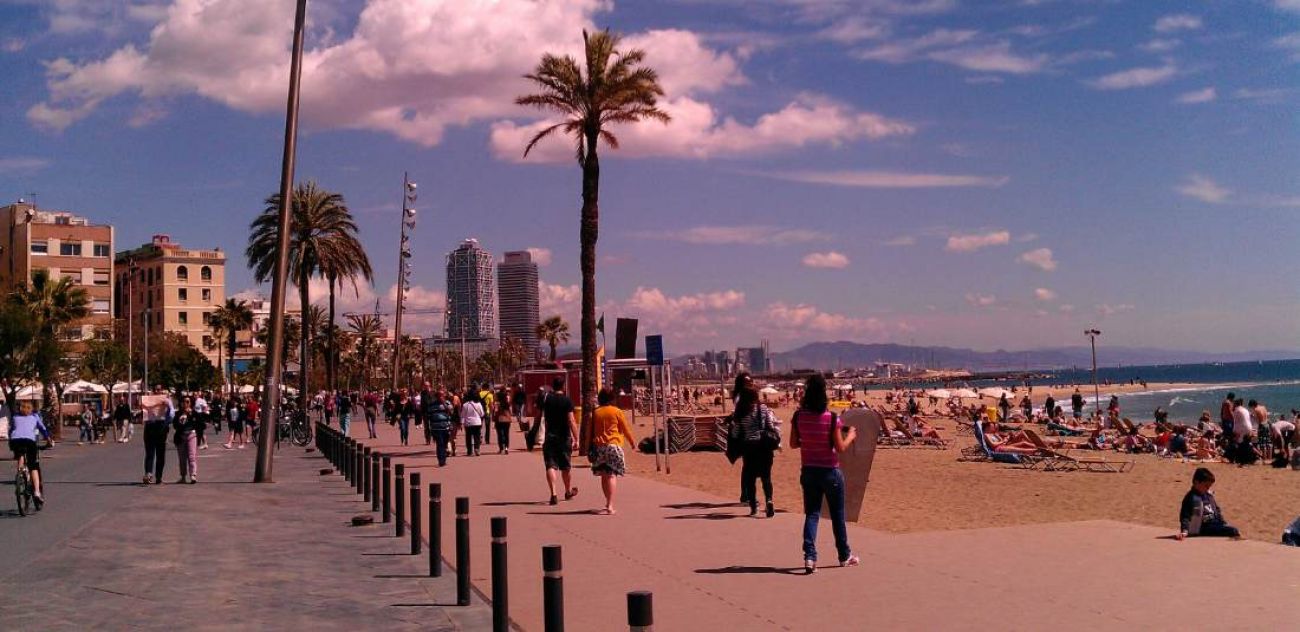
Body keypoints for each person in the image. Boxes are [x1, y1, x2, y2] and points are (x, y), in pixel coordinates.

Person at [789, 374, 859, 574]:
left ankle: (810, 557)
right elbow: (840, 447)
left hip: (809, 470)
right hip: (830, 471)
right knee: (837, 515)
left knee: (812, 514)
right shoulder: (831, 418)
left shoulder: (798, 416)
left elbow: (793, 443)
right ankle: (844, 555)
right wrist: (851, 435)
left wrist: (809, 441)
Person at [733, 375, 780, 518]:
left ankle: (753, 506)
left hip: (750, 447)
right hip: (764, 446)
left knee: (750, 478)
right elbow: (770, 425)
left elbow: (736, 432)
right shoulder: (763, 408)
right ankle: (769, 501)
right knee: (766, 477)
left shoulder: (741, 412)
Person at [589, 388, 634, 515]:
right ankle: (610, 504)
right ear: (612, 399)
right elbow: (625, 429)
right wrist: (632, 442)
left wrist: (587, 446)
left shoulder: (595, 413)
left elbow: (589, 432)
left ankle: (607, 502)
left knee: (604, 475)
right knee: (612, 475)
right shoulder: (617, 411)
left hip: (599, 447)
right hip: (614, 446)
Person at [538, 377, 579, 506]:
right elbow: (571, 420)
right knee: (565, 466)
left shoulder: (547, 400)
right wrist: (576, 438)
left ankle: (553, 494)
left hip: (550, 437)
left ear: (553, 386)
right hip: (564, 437)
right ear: (563, 386)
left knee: (550, 465)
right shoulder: (567, 401)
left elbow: (539, 415)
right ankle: (567, 491)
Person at [1177, 467, 1241, 540]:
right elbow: (1185, 516)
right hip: (1203, 527)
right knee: (1233, 531)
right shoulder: (1191, 497)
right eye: (1206, 486)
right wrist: (1184, 531)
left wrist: (1222, 522)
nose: (1208, 488)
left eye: (1209, 486)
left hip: (1215, 523)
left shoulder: (1208, 495)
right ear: (1196, 482)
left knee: (1230, 529)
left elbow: (1216, 510)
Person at [9, 401, 53, 505]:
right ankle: (37, 492)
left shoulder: (15, 416)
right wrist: (49, 440)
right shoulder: (34, 416)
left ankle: (20, 474)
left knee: (20, 455)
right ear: (31, 408)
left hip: (15, 441)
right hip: (29, 441)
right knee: (33, 467)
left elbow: (11, 430)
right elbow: (43, 429)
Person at [142, 388, 173, 485]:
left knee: (160, 454)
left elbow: (171, 415)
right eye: (155, 389)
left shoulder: (166, 400)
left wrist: (167, 406)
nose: (157, 391)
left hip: (161, 427)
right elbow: (143, 412)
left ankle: (159, 477)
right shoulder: (148, 400)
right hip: (150, 427)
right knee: (149, 453)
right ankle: (148, 474)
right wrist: (141, 405)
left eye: (159, 389)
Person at [172, 397, 198, 484]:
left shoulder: (194, 413)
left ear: (190, 403)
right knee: (182, 458)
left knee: (191, 456)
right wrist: (181, 420)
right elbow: (175, 425)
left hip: (191, 435)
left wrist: (190, 414)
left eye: (187, 402)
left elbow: (198, 423)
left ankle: (193, 475)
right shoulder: (178, 413)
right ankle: (183, 476)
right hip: (181, 436)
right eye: (183, 402)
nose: (185, 403)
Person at [426, 388, 453, 466]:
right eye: (439, 396)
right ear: (436, 396)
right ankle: (441, 461)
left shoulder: (447, 403)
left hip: (446, 427)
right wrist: (430, 428)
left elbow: (451, 412)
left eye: (442, 395)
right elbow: (429, 416)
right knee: (439, 444)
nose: (440, 397)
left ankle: (443, 459)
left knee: (444, 444)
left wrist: (444, 404)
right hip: (436, 428)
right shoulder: (432, 404)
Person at [461, 390, 485, 456]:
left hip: (468, 423)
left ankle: (469, 451)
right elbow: (482, 414)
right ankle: (477, 448)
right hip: (477, 422)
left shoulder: (465, 405)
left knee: (468, 437)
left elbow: (463, 415)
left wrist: (461, 423)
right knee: (477, 436)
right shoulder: (478, 404)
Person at [493, 386, 513, 454]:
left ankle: (501, 448)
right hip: (507, 420)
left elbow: (495, 411)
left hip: (499, 420)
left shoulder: (497, 403)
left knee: (500, 434)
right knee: (506, 434)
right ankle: (506, 448)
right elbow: (510, 412)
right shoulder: (507, 403)